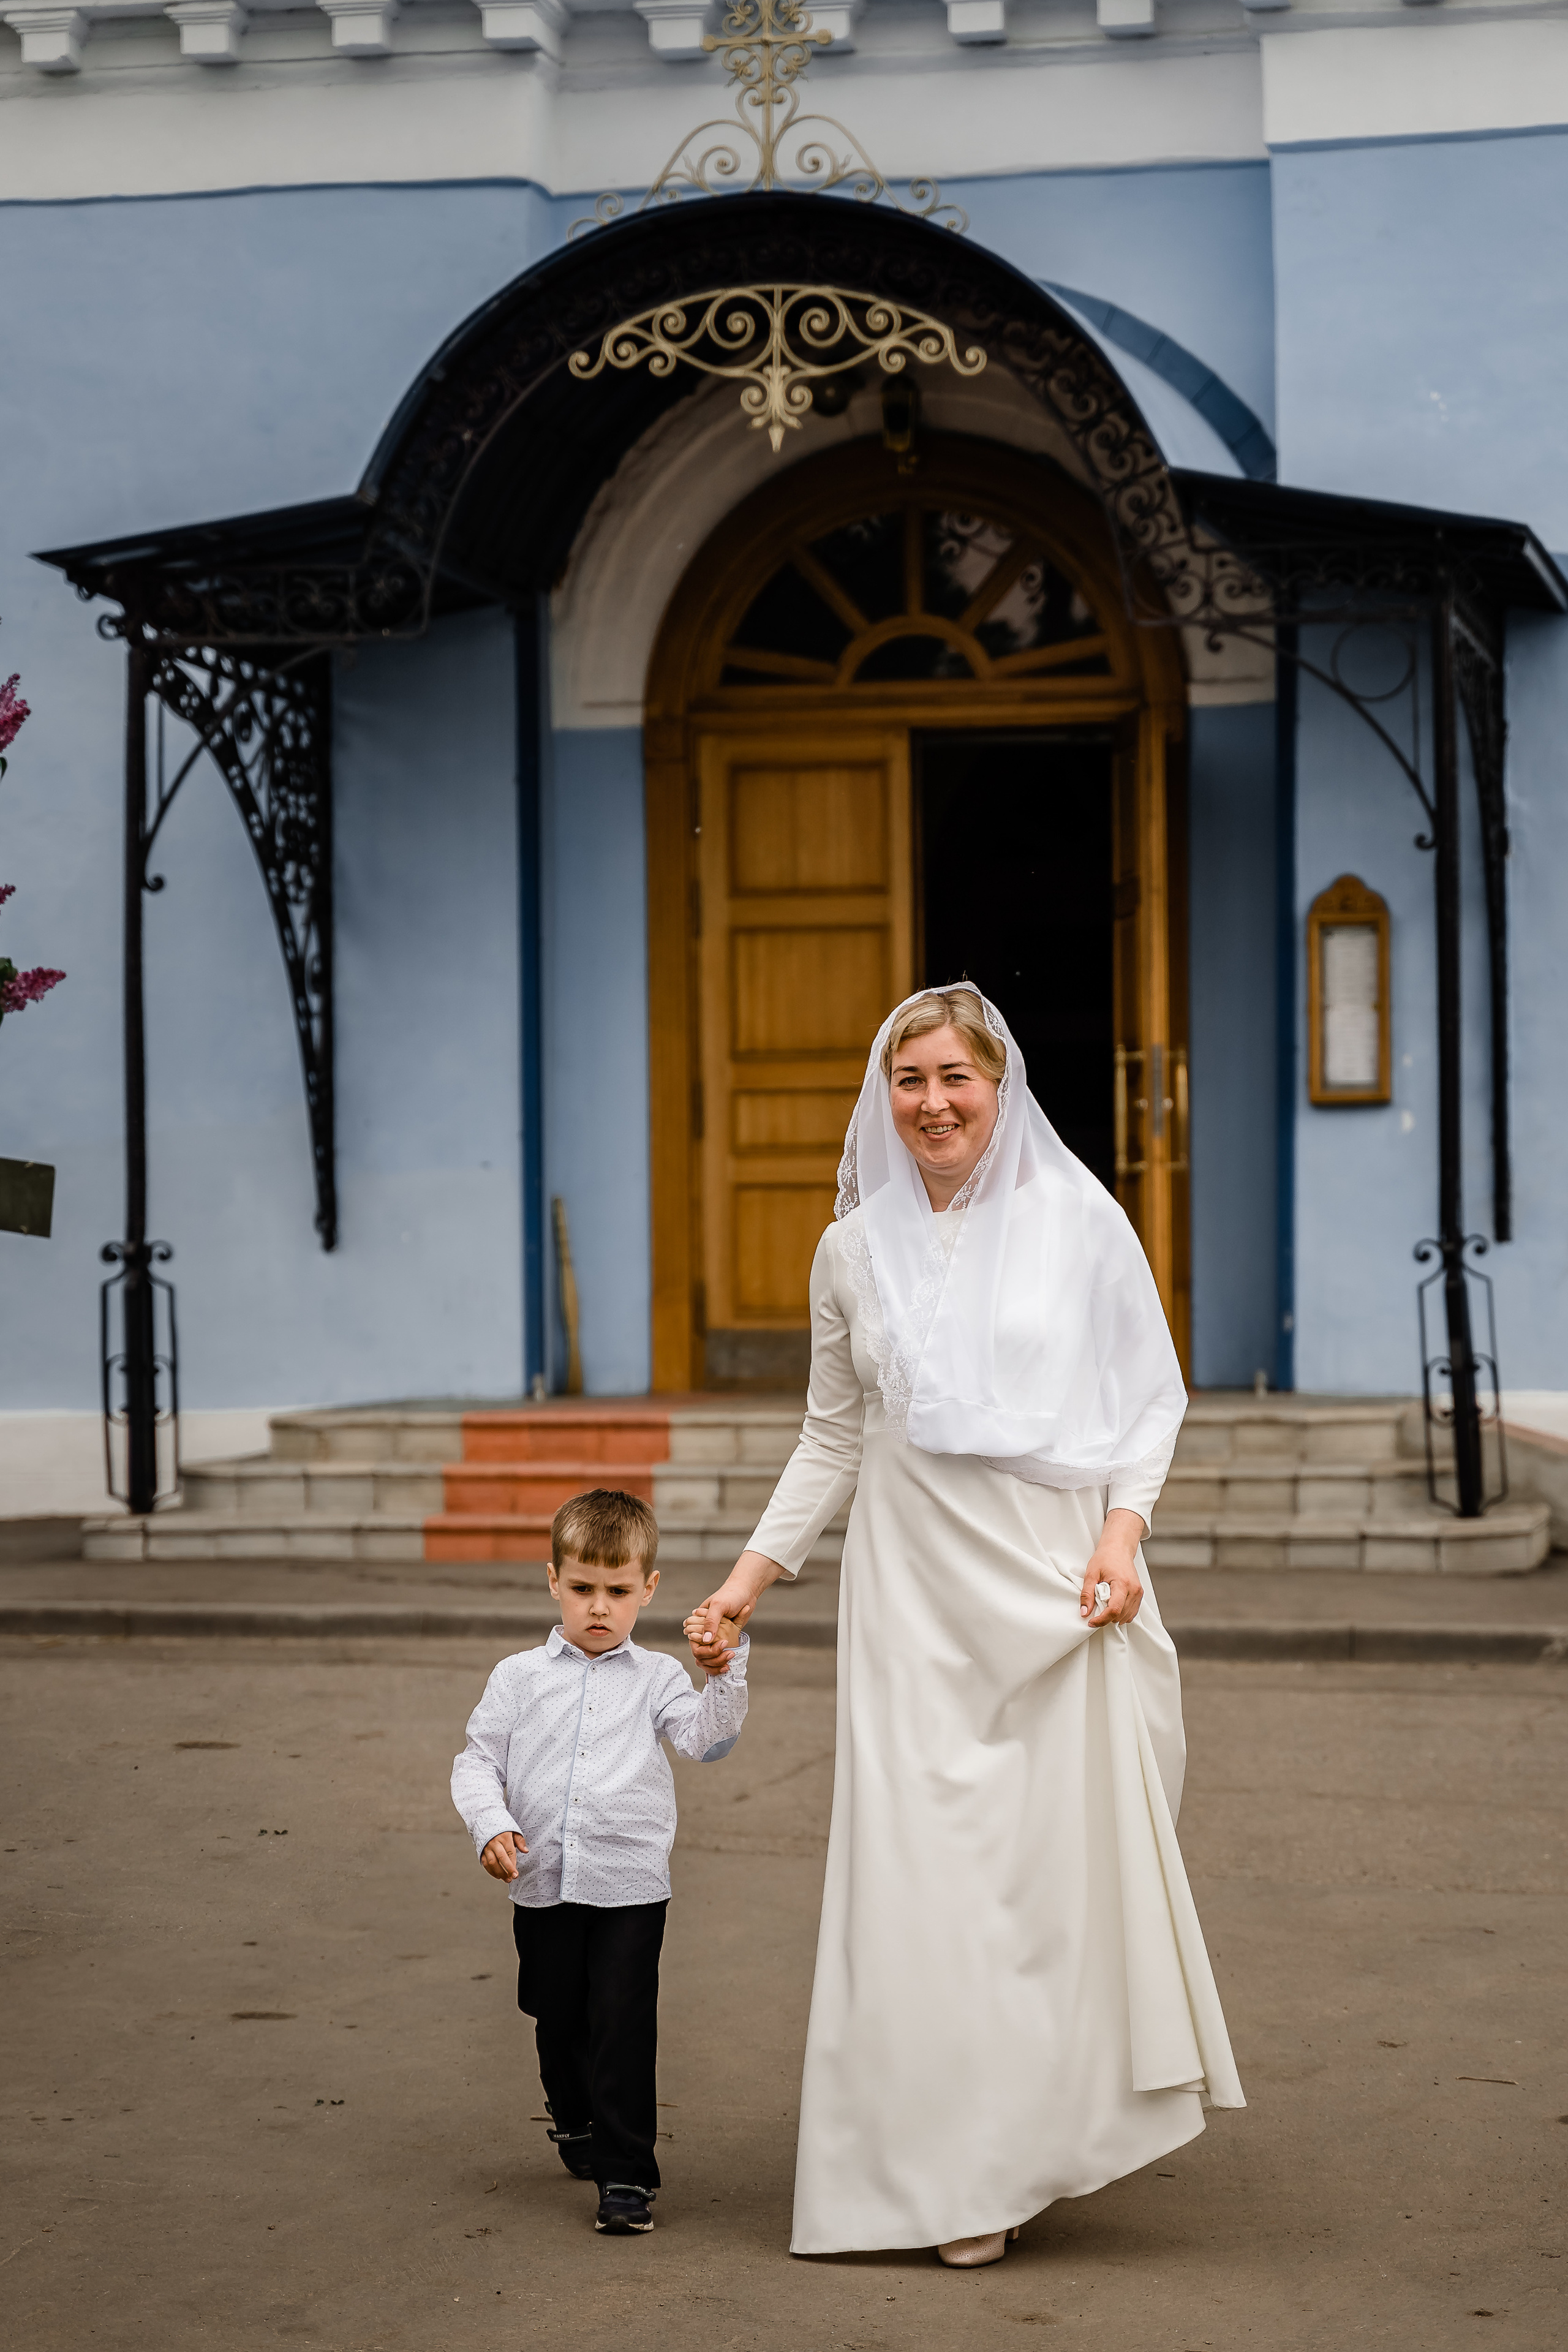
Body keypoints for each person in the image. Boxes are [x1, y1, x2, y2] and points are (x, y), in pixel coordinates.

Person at [694, 984, 1245, 2266]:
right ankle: (947, 2175)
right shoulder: (850, 1249)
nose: (932, 1102)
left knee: (1036, 1885)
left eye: (955, 1077)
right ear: (882, 1097)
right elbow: (832, 1436)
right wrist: (740, 1585)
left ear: (1000, 1086)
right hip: (908, 1598)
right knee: (922, 1880)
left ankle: (1028, 2138)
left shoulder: (1077, 1221)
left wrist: (1123, 1534)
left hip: (1052, 1586)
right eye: (909, 1079)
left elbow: (1145, 1397)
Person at [451, 1487, 748, 2237]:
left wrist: (725, 1671)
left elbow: (705, 1740)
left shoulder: (656, 1680)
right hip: (540, 1879)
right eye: (582, 1588)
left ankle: (626, 2179)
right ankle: (573, 2115)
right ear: (554, 1579)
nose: (598, 1607)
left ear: (647, 1590)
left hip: (631, 1885)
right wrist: (491, 1824)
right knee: (556, 2015)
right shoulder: (519, 1677)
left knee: (621, 2022)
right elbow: (476, 1762)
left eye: (617, 1592)